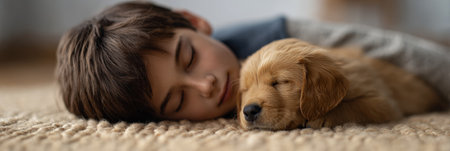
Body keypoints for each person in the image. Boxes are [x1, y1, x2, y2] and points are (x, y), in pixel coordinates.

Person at [56, 1, 450, 123]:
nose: (205, 85)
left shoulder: (280, 32)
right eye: (177, 102)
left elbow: (397, 49)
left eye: (190, 57)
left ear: (195, 23)